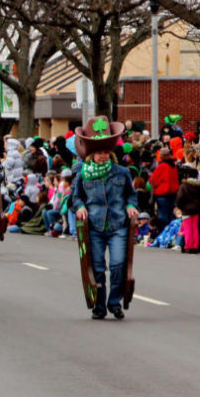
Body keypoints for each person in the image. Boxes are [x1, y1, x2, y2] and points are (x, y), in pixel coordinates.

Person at [70, 116, 139, 320]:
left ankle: (114, 302)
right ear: (92, 154)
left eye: (105, 152)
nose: (102, 156)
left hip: (118, 224)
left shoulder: (122, 172)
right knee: (98, 267)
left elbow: (131, 195)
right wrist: (80, 207)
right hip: (94, 225)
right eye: (99, 152)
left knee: (118, 265)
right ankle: (99, 305)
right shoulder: (83, 174)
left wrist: (131, 206)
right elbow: (75, 197)